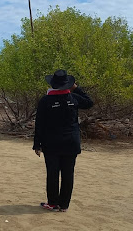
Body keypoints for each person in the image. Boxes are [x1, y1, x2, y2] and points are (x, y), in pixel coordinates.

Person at [33, 69, 94, 212]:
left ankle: (53, 203)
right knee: (68, 174)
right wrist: (76, 88)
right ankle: (64, 205)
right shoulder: (74, 98)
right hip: (71, 142)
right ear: (68, 84)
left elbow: (39, 124)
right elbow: (90, 102)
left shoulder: (45, 100)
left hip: (51, 142)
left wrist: (37, 144)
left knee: (53, 173)